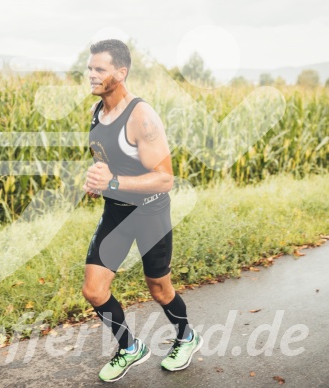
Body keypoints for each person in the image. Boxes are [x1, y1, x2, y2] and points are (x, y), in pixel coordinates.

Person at [82, 39, 203, 383]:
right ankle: (130, 347)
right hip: (117, 213)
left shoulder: (142, 117)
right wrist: (97, 182)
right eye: (90, 68)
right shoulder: (98, 111)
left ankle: (187, 337)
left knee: (159, 289)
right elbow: (109, 164)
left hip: (150, 215)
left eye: (99, 69)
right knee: (94, 290)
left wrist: (114, 182)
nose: (91, 75)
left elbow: (165, 179)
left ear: (120, 73)